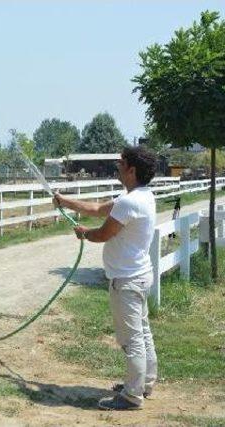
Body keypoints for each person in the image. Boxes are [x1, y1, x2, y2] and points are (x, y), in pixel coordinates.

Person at [53, 146, 158, 411]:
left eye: (122, 163)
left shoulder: (129, 202)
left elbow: (103, 233)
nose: (118, 166)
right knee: (142, 333)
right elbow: (99, 208)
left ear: (132, 170)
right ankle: (144, 383)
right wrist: (65, 202)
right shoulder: (141, 196)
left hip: (126, 280)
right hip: (138, 276)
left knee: (131, 338)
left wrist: (84, 233)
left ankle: (132, 395)